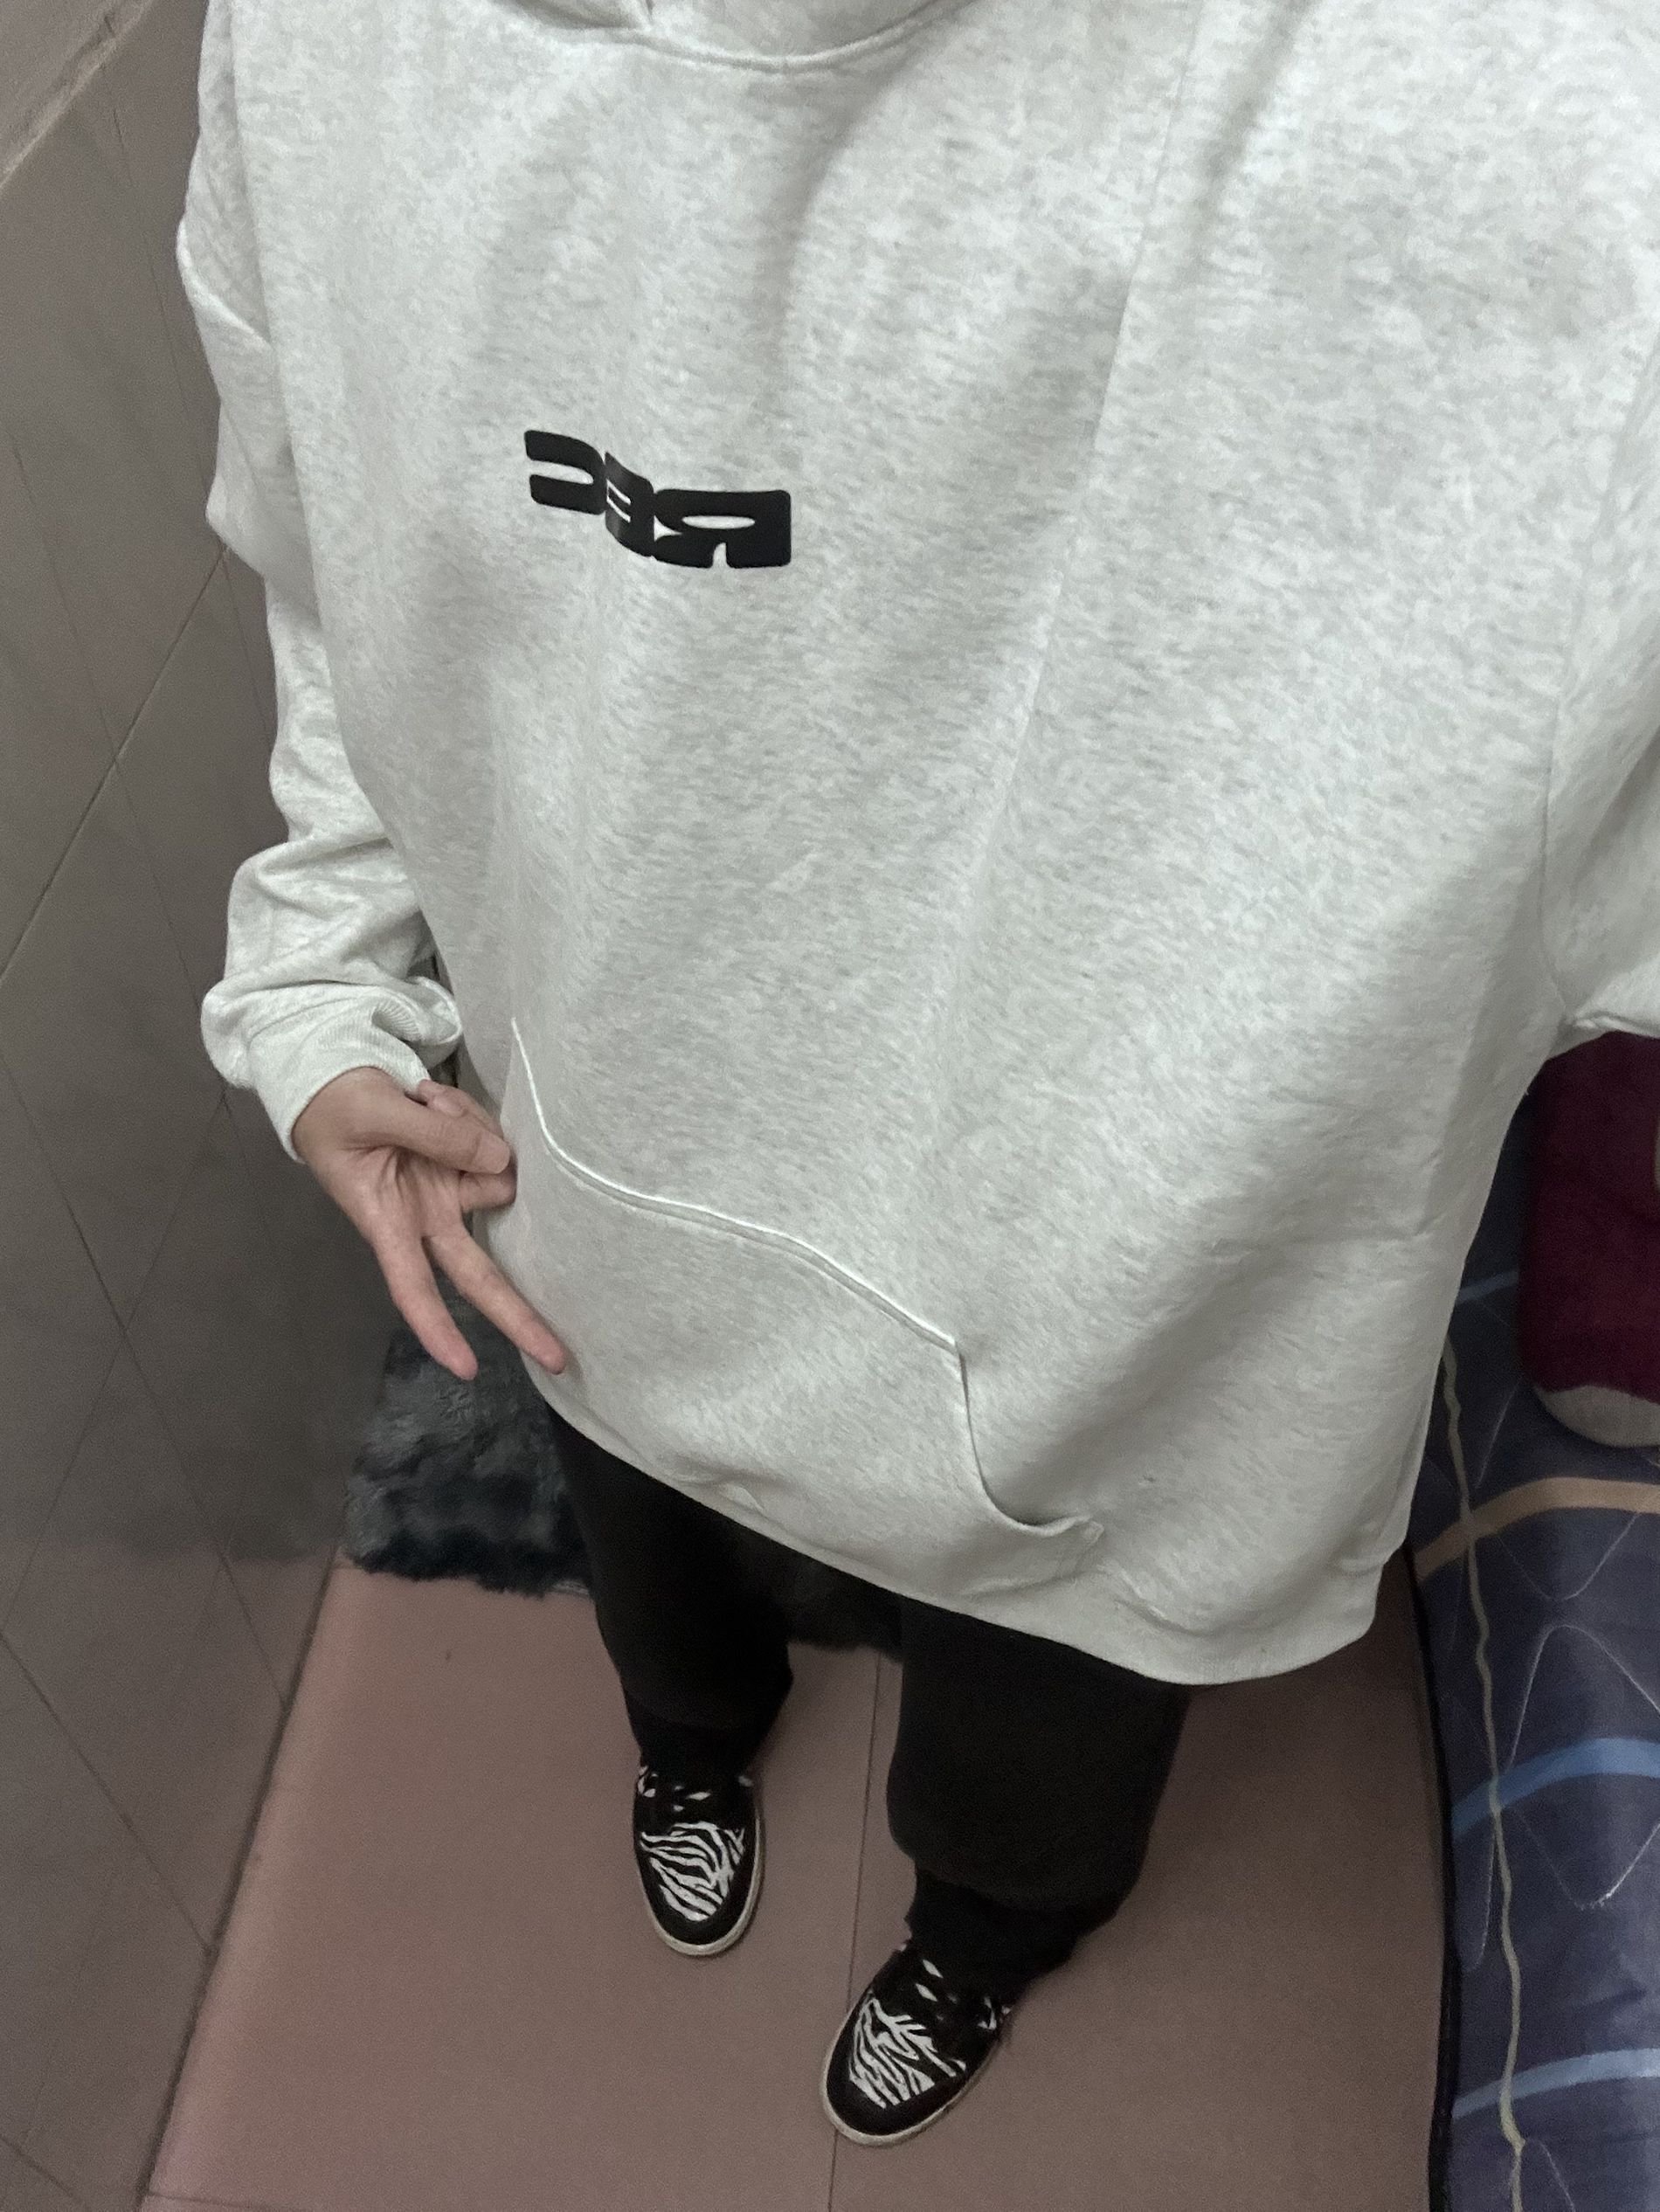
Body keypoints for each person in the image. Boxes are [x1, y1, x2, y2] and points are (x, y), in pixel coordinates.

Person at [183, 0, 1660, 2146]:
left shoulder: (1567, 143)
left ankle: (978, 1936)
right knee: (665, 1625)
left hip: (1121, 1388)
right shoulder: (320, 41)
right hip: (590, 1204)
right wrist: (321, 973)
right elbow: (339, 565)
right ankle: (693, 1749)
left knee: (1035, 1784)